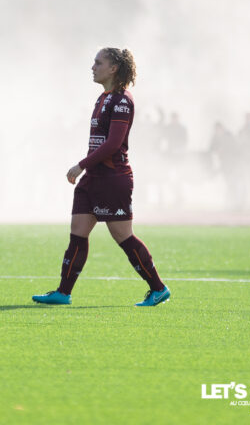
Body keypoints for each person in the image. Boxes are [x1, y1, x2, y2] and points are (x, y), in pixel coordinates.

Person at [32, 48, 170, 307]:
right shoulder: (102, 99)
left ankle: (158, 288)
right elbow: (98, 143)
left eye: (98, 62)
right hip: (93, 179)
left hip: (113, 178)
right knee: (78, 233)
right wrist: (87, 168)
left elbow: (114, 144)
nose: (92, 67)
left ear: (113, 68)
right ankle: (63, 292)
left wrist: (81, 165)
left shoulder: (122, 101)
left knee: (122, 236)